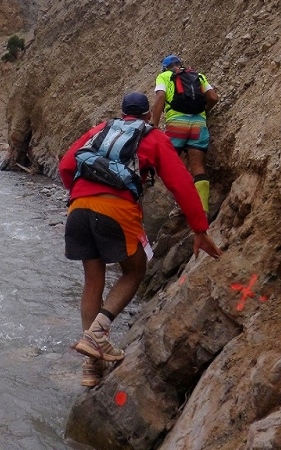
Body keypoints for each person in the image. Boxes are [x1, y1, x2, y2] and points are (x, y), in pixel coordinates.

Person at [59, 92, 222, 387]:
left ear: (122, 113)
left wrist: (80, 195)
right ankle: (97, 335)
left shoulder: (101, 129)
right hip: (116, 209)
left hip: (78, 209)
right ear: (148, 115)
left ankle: (91, 366)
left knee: (93, 280)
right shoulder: (153, 136)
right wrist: (200, 228)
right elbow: (181, 183)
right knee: (134, 271)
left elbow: (66, 166)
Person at [151, 54, 219, 214]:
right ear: (180, 64)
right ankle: (203, 210)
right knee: (198, 166)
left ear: (164, 68)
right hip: (199, 124)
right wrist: (204, 111)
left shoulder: (163, 76)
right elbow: (213, 97)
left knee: (177, 166)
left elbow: (160, 96)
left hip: (177, 125)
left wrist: (154, 124)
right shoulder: (198, 75)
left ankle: (183, 206)